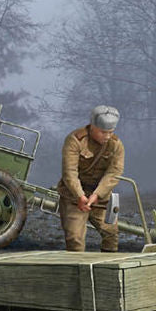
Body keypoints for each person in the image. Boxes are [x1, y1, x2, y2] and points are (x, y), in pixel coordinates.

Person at [57, 105, 125, 252]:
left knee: (111, 234)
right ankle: (77, 272)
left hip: (100, 197)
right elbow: (69, 172)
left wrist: (97, 195)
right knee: (75, 238)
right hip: (74, 197)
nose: (107, 136)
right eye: (103, 132)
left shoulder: (116, 145)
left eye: (110, 132)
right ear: (92, 127)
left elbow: (114, 173)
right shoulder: (75, 140)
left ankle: (109, 269)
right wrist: (80, 196)